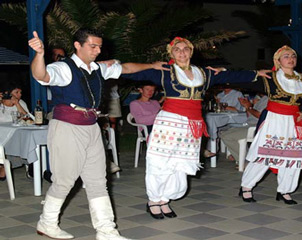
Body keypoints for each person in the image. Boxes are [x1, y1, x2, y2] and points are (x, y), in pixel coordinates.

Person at [28, 28, 167, 240]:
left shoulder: (98, 68)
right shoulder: (63, 68)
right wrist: (39, 54)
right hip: (67, 126)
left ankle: (106, 231)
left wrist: (152, 65)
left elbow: (127, 68)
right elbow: (41, 75)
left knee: (98, 180)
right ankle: (46, 223)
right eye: (93, 46)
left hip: (92, 126)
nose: (98, 50)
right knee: (64, 181)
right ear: (78, 45)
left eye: (100, 46)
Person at [121, 36, 271, 220]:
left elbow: (231, 76)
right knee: (161, 162)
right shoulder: (165, 71)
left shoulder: (204, 73)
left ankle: (165, 199)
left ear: (191, 52)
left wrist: (256, 74)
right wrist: (149, 66)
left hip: (191, 126)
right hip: (169, 123)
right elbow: (128, 71)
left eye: (185, 49)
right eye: (177, 49)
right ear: (171, 53)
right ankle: (154, 199)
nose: (182, 52)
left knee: (181, 164)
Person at [239, 45, 302, 205]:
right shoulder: (271, 78)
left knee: (293, 158)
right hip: (273, 121)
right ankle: (246, 187)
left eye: (293, 56)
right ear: (278, 61)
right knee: (264, 155)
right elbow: (244, 80)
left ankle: (285, 190)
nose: (291, 59)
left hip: (293, 123)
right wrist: (222, 74)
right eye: (286, 56)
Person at [219, 94, 268, 166]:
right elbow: (250, 116)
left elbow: (260, 115)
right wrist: (246, 106)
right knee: (223, 132)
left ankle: (245, 161)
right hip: (249, 124)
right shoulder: (259, 98)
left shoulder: (267, 99)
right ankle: (243, 157)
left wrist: (249, 107)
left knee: (226, 136)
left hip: (256, 127)